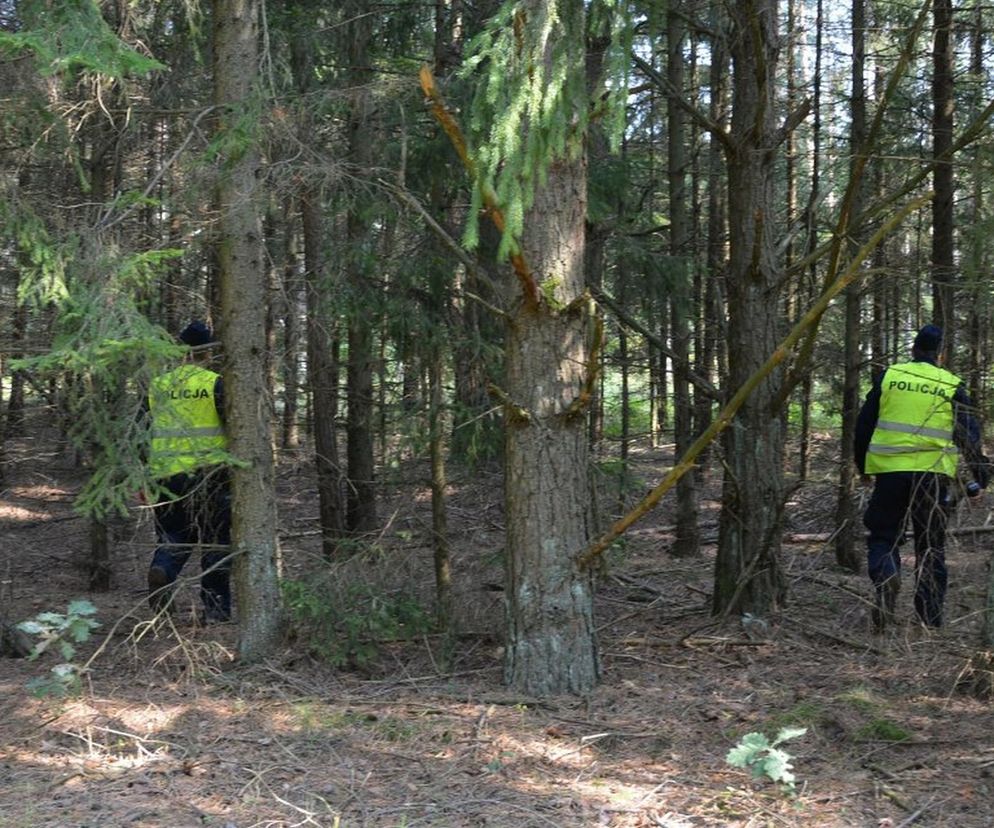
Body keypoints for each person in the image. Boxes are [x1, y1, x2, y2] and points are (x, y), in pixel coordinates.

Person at [854, 324, 989, 631]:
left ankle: (887, 574)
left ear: (913, 351)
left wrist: (862, 467)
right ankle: (928, 619)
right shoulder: (950, 384)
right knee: (931, 545)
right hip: (933, 477)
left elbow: (863, 426)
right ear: (939, 354)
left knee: (884, 536)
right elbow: (969, 434)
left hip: (890, 473)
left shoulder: (889, 377)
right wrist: (980, 479)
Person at [145, 320, 232, 622]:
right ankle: (216, 607)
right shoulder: (215, 384)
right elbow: (234, 429)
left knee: (173, 534)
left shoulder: (158, 386)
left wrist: (143, 476)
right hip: (210, 475)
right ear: (207, 353)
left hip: (164, 476)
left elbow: (143, 433)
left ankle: (163, 570)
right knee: (215, 540)